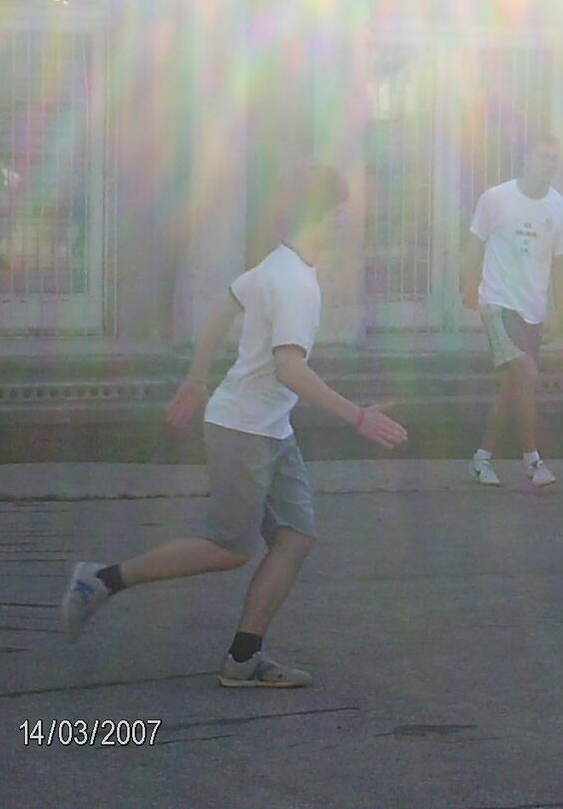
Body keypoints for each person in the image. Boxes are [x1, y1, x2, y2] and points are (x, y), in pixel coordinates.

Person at [59, 165, 407, 687]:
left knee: (295, 536)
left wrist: (196, 380)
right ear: (316, 217)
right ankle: (101, 580)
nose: (345, 223)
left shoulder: (280, 265)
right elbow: (290, 367)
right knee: (229, 549)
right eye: (338, 213)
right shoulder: (294, 282)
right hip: (245, 430)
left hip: (270, 427)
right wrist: (358, 416)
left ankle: (243, 659)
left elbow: (225, 305)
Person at [462, 131, 563, 488]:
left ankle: (481, 458)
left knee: (512, 386)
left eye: (554, 158)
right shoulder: (496, 198)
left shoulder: (561, 208)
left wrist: (559, 312)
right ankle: (533, 461)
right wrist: (469, 287)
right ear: (526, 158)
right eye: (543, 156)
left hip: (533, 310)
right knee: (527, 374)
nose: (549, 164)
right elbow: (475, 243)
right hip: (498, 303)